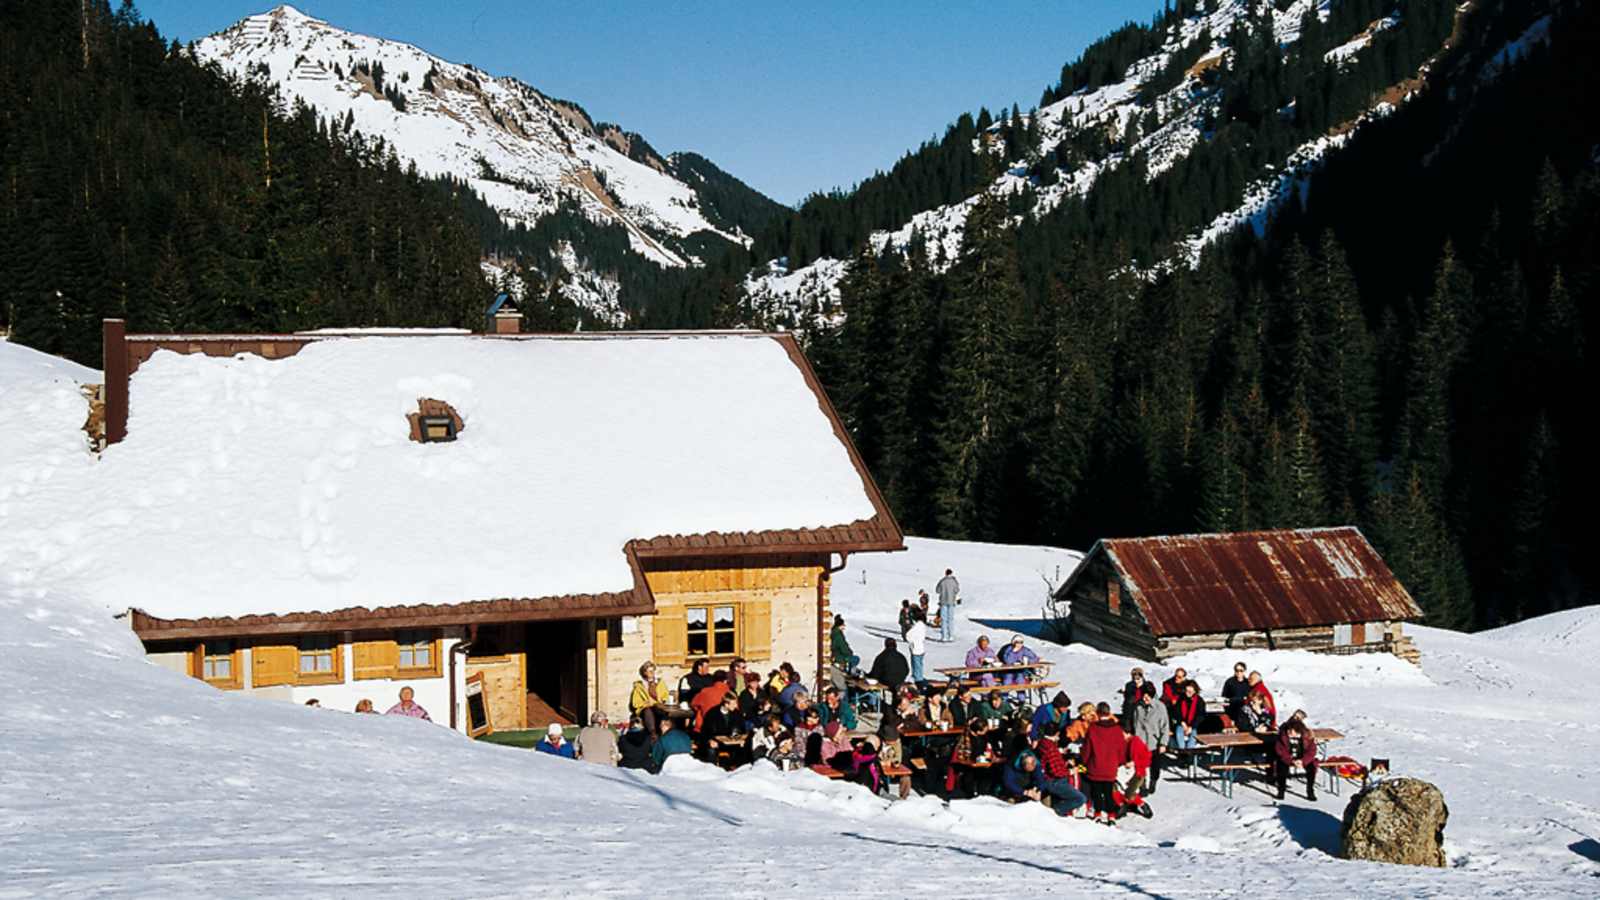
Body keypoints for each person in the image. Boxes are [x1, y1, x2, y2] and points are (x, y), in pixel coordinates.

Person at [1081, 703, 1130, 823]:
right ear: (1109, 713)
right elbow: (1122, 749)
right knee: (1108, 793)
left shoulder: (1092, 729)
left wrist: (1084, 761)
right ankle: (1111, 815)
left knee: (1096, 792)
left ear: (1097, 713)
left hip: (1095, 766)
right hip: (1110, 767)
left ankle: (1097, 813)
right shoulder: (1117, 729)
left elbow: (1087, 749)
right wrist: (1121, 761)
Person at [1034, 721, 1089, 816]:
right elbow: (1056, 771)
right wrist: (1071, 771)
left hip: (1047, 778)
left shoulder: (1043, 743)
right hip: (1054, 781)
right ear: (1056, 733)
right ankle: (1055, 813)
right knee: (1080, 798)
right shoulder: (1051, 748)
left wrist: (1063, 761)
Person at [1129, 683, 1170, 794]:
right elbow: (1135, 722)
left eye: (1148, 696)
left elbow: (1165, 726)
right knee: (1140, 765)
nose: (1145, 698)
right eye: (1143, 696)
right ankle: (1142, 784)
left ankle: (1153, 782)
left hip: (1154, 740)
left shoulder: (1160, 707)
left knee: (1155, 764)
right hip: (1140, 740)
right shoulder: (1138, 706)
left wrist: (1163, 743)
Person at [1275, 714, 1320, 801]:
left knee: (1312, 767)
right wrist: (1291, 760)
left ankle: (1310, 790)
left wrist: (1303, 761)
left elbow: (1312, 751)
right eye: (1288, 730)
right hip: (1288, 757)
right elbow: (1280, 751)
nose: (1289, 732)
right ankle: (1281, 790)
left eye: (1291, 731)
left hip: (1302, 757)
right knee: (1281, 767)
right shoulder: (1283, 736)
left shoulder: (1307, 737)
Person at [1115, 731, 1155, 819]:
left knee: (1129, 793)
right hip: (1125, 771)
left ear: (1127, 733)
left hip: (1137, 772)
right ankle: (1121, 805)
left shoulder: (1136, 742)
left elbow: (1147, 759)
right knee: (1113, 786)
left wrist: (1134, 763)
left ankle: (1142, 805)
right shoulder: (1123, 743)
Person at [630, 662, 671, 735]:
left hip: (658, 706)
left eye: (653, 671)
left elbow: (665, 695)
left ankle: (665, 732)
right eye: (649, 671)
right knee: (648, 711)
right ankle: (653, 733)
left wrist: (663, 701)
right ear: (645, 673)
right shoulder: (639, 686)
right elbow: (635, 703)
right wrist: (646, 703)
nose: (652, 673)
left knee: (659, 710)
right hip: (646, 708)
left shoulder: (660, 683)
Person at [1173, 681, 1206, 750]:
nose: (1188, 693)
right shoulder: (1181, 699)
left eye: (1190, 691)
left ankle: (1189, 752)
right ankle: (1181, 750)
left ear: (1194, 691)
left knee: (1193, 737)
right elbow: (1176, 712)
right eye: (1187, 691)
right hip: (1181, 724)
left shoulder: (1199, 701)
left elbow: (1200, 716)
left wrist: (1191, 727)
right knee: (1179, 735)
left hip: (1194, 726)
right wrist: (1182, 722)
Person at [936, 568, 961, 642]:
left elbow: (937, 590)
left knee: (944, 620)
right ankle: (951, 636)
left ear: (945, 573)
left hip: (943, 602)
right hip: (951, 602)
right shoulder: (954, 581)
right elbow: (957, 590)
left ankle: (944, 636)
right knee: (950, 619)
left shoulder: (942, 581)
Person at [906, 607, 929, 686]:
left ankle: (918, 680)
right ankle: (918, 677)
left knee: (916, 665)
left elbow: (908, 635)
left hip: (916, 648)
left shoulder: (917, 626)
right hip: (920, 648)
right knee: (919, 665)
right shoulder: (922, 625)